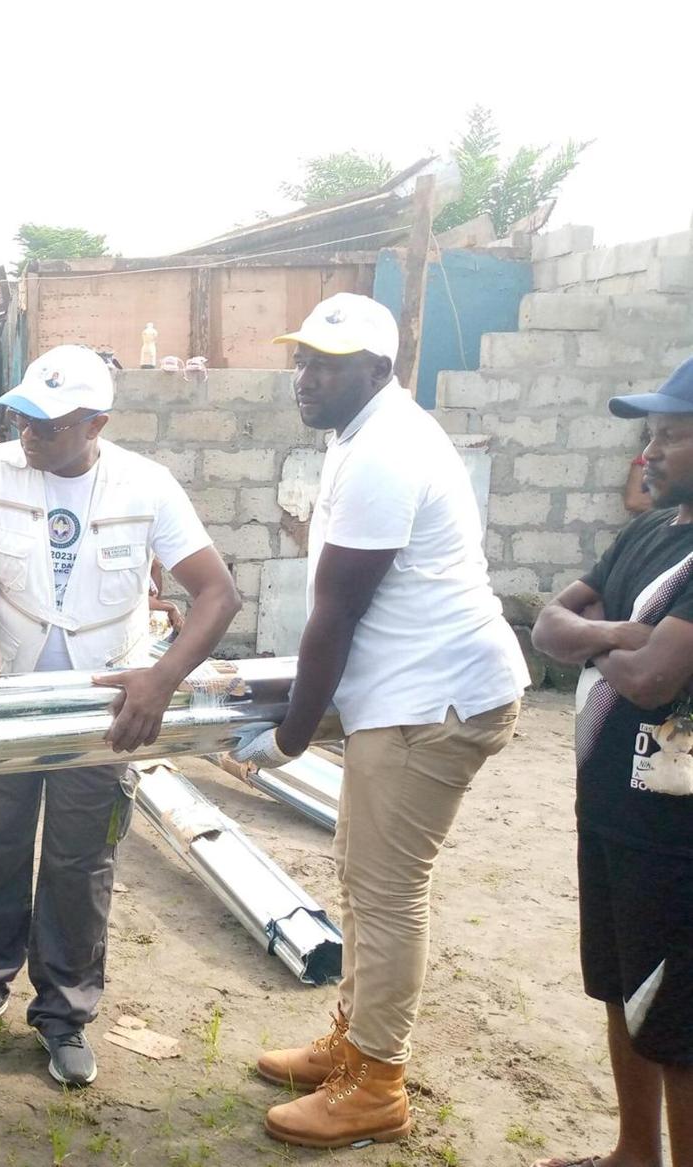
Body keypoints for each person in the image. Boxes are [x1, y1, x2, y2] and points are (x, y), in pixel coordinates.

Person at [232, 293, 528, 1148]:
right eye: (302, 359)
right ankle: (353, 1040)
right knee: (363, 874)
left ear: (377, 368)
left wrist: (291, 735)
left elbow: (337, 612)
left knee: (389, 891)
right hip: (410, 692)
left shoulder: (384, 451)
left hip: (429, 702)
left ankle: (377, 1082)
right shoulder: (364, 437)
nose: (305, 376)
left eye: (326, 363)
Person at [0, 344, 241, 1087]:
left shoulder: (147, 486)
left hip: (106, 714)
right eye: (23, 416)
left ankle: (64, 1015)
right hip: (11, 701)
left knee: (81, 862)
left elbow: (218, 594)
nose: (29, 433)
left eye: (49, 423)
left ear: (96, 423)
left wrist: (161, 679)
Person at [530, 355, 693, 1167]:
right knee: (623, 989)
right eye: (649, 434)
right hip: (611, 813)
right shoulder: (647, 532)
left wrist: (602, 647)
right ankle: (635, 1153)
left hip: (677, 834)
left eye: (669, 434)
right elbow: (548, 624)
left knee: (679, 1022)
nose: (649, 453)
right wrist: (614, 639)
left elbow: (659, 680)